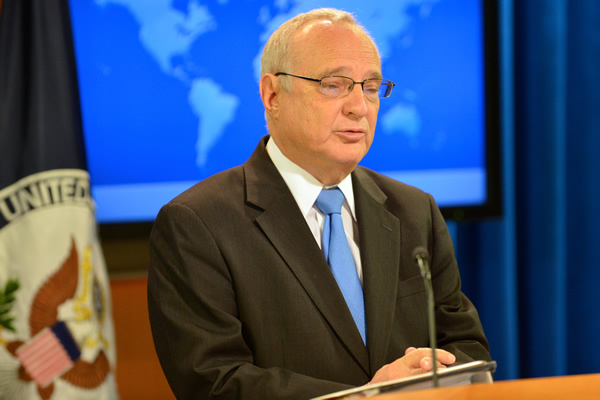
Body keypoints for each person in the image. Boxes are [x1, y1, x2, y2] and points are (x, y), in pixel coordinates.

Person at [147, 8, 490, 399]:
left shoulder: (414, 210)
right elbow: (214, 382)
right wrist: (366, 396)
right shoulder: (197, 224)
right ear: (272, 95)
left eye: (372, 86)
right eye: (334, 85)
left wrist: (431, 371)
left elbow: (466, 347)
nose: (359, 107)